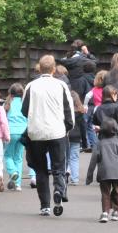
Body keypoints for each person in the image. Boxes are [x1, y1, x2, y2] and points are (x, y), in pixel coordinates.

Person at [22, 55, 76, 217]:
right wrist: (67, 128)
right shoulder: (61, 85)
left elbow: (24, 110)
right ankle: (59, 192)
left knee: (40, 169)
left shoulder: (31, 86)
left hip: (36, 132)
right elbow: (69, 110)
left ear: (40, 68)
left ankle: (44, 205)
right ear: (54, 69)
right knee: (59, 167)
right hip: (57, 132)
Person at [86, 118, 118, 223]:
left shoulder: (99, 143)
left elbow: (93, 160)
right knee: (116, 191)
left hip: (104, 171)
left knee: (105, 193)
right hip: (117, 171)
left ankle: (105, 213)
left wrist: (89, 176)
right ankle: (115, 212)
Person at [4, 83, 28, 191]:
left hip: (11, 132)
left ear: (10, 92)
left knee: (8, 155)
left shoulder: (7, 103)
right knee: (19, 158)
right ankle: (17, 184)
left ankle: (12, 172)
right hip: (23, 132)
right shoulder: (25, 103)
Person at [65, 91, 87, 186]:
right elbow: (83, 128)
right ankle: (75, 179)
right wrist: (85, 142)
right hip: (76, 136)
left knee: (64, 157)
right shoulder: (80, 113)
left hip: (65, 135)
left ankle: (65, 172)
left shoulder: (64, 111)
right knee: (74, 158)